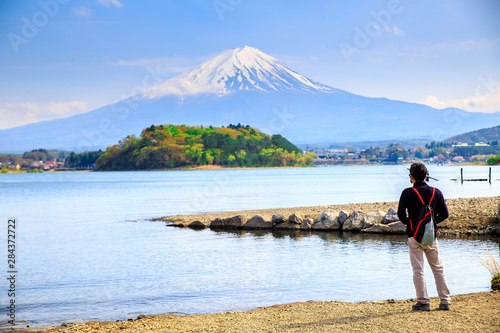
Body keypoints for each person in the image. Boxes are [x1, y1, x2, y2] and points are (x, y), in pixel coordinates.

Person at [397, 162, 451, 311]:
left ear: (411, 177)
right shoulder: (436, 191)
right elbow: (445, 214)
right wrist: (432, 224)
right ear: (426, 176)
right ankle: (445, 301)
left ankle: (423, 302)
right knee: (438, 268)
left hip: (414, 237)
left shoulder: (407, 193)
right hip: (431, 236)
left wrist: (413, 226)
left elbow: (401, 215)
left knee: (418, 270)